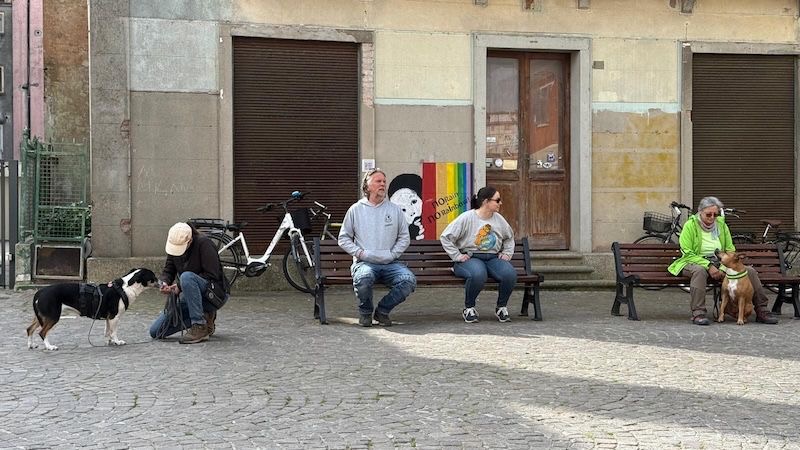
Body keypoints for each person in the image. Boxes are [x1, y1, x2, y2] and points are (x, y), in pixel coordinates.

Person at [667, 196, 778, 325]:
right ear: (700, 212)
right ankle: (698, 313)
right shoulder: (690, 226)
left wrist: (723, 267)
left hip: (720, 261)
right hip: (693, 261)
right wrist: (709, 266)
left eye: (715, 214)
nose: (712, 218)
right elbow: (687, 252)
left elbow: (730, 249)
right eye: (708, 214)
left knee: (750, 271)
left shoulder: (721, 225)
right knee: (699, 271)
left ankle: (762, 310)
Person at [338, 168, 417, 327]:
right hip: (365, 263)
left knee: (408, 280)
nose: (382, 184)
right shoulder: (356, 209)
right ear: (367, 186)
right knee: (364, 278)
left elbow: (404, 237)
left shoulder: (394, 210)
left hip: (391, 263)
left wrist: (393, 254)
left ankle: (382, 311)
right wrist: (360, 253)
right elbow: (343, 238)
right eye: (378, 181)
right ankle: (366, 313)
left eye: (384, 182)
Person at [440, 186, 517, 323]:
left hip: (493, 258)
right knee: (478, 274)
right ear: (486, 201)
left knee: (509, 274)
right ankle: (469, 308)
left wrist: (507, 253)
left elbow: (509, 237)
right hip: (471, 258)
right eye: (497, 200)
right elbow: (445, 237)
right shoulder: (467, 217)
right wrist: (457, 256)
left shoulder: (499, 219)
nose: (500, 203)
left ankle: (501, 307)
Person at [149, 222, 228, 343]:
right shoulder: (174, 246)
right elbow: (168, 270)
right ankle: (205, 318)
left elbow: (212, 274)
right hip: (189, 296)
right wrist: (164, 282)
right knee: (156, 331)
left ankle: (199, 326)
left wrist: (180, 286)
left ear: (190, 241)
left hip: (212, 294)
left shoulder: (204, 244)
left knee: (186, 277)